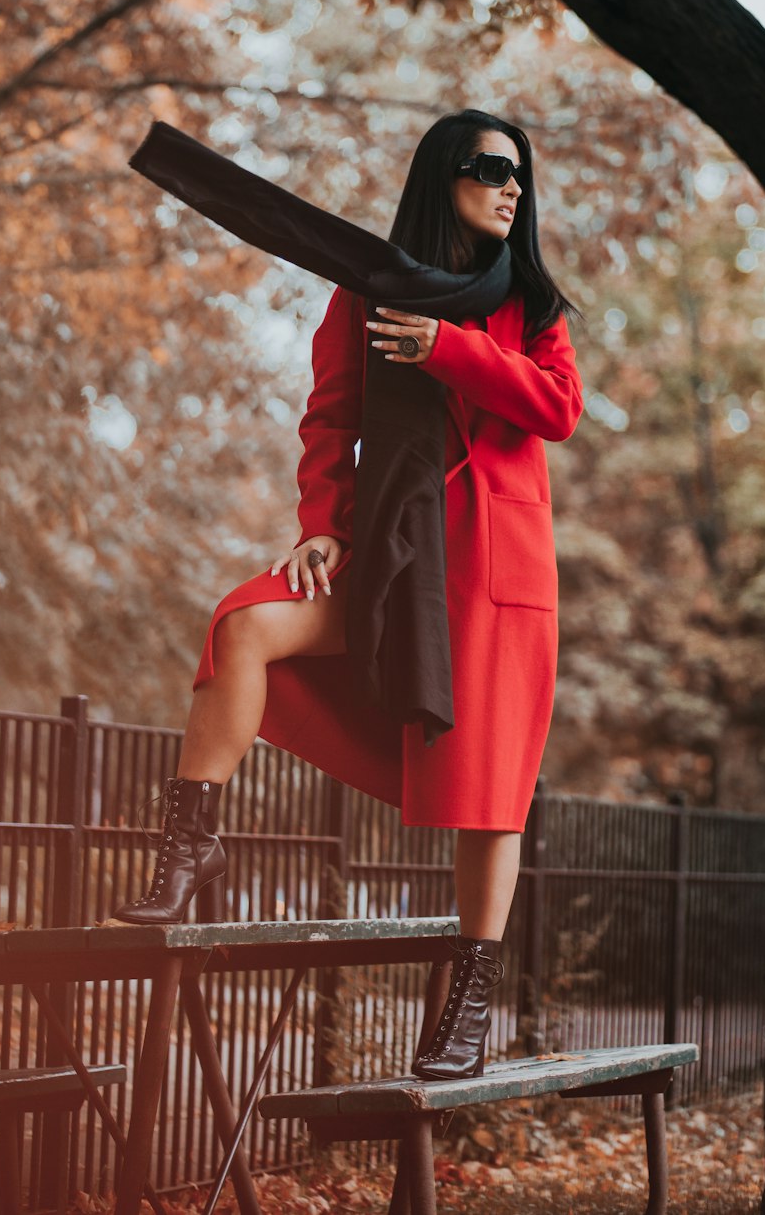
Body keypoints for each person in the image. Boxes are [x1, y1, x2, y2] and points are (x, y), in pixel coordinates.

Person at [112, 109, 585, 1080]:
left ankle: (464, 1002)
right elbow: (329, 416)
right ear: (438, 175)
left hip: (495, 573)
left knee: (488, 795)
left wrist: (447, 348)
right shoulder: (364, 289)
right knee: (243, 625)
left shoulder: (530, 303)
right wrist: (322, 523)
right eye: (489, 168)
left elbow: (557, 409)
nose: (510, 187)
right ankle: (190, 844)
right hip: (388, 558)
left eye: (519, 175)